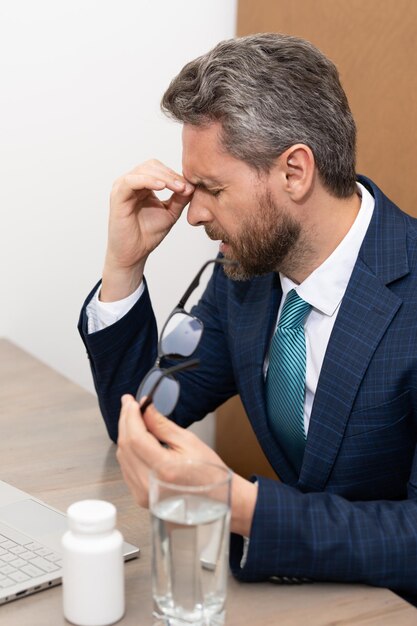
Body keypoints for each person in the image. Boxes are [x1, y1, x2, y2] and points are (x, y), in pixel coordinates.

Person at [78, 33, 417, 603]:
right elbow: (141, 418)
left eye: (211, 188)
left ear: (294, 172)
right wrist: (124, 264)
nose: (195, 214)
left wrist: (242, 508)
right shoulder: (247, 277)